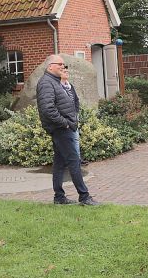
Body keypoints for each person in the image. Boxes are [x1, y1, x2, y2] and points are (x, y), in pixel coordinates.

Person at [36, 55, 98, 206]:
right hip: (61, 129)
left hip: (65, 127)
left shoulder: (54, 82)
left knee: (59, 163)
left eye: (64, 64)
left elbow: (70, 102)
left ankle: (59, 197)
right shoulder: (46, 83)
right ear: (50, 66)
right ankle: (84, 196)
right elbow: (47, 109)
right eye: (60, 64)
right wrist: (65, 124)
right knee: (73, 161)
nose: (63, 67)